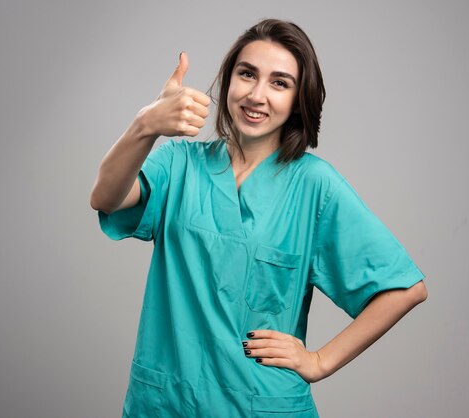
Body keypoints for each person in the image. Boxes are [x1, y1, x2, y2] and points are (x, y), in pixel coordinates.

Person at [90, 18, 428, 418]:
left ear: (299, 99)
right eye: (247, 74)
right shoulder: (179, 164)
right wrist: (145, 126)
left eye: (279, 83)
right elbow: (106, 198)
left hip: (261, 404)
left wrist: (319, 361)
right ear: (229, 79)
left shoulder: (314, 186)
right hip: (167, 401)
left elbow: (405, 288)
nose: (257, 94)